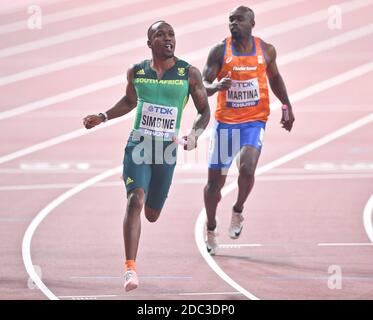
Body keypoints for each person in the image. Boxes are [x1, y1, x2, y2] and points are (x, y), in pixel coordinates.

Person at [83, 21, 210, 291]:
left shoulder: (189, 74)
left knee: (151, 214)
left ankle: (152, 201)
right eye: (160, 35)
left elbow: (204, 111)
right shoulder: (137, 71)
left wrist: (195, 135)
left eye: (171, 34)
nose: (168, 39)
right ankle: (130, 268)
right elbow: (130, 101)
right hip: (138, 145)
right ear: (149, 42)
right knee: (134, 201)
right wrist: (103, 116)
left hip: (166, 149)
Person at [202, 6, 295, 255]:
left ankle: (238, 210)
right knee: (214, 186)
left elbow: (275, 78)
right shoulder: (220, 51)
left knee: (247, 168)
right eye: (230, 19)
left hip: (254, 121)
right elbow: (202, 83)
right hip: (226, 124)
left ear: (252, 23)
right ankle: (211, 226)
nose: (234, 23)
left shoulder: (266, 50)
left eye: (239, 19)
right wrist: (216, 86)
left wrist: (286, 105)